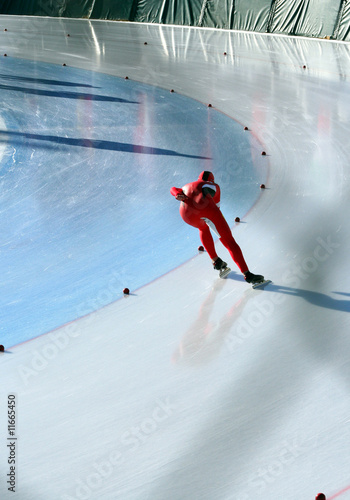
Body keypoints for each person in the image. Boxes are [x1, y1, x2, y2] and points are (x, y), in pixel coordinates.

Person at [170, 171, 264, 284]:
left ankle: (216, 261)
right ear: (212, 180)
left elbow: (173, 188)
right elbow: (216, 210)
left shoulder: (187, 185)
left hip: (186, 215)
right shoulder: (215, 186)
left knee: (203, 228)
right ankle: (247, 274)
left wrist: (176, 194)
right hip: (206, 208)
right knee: (229, 240)